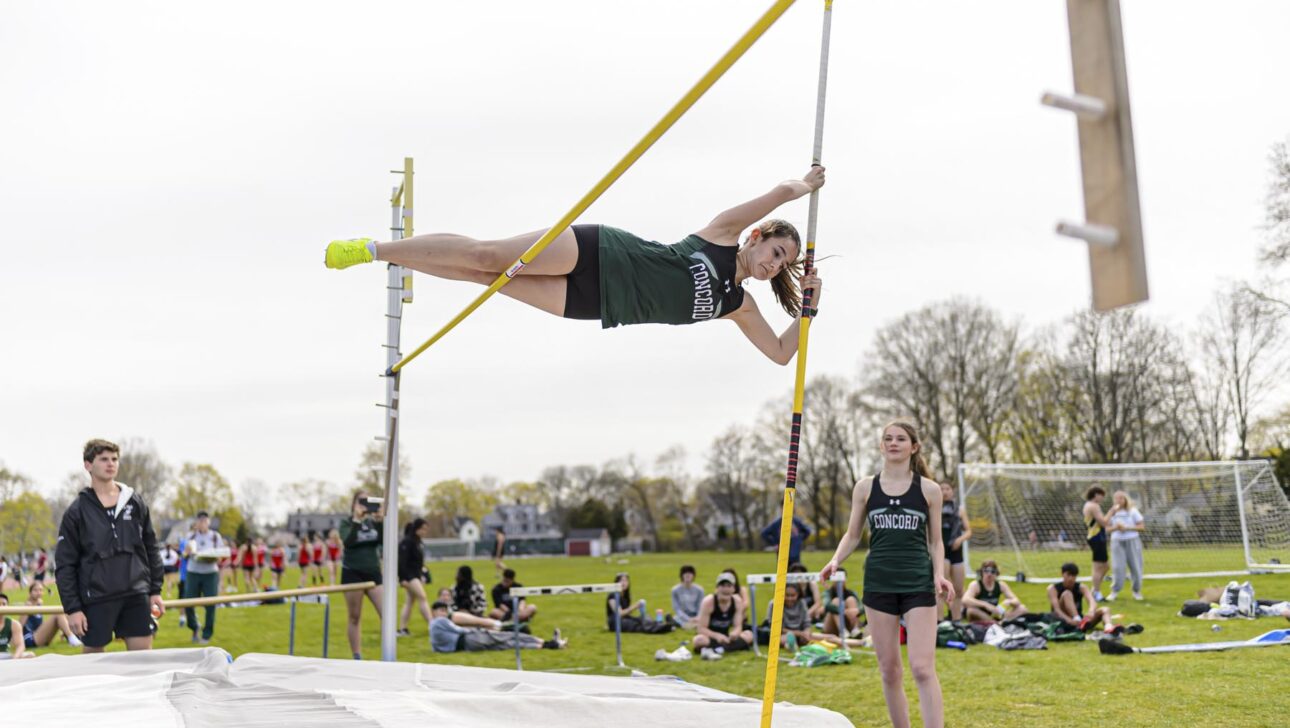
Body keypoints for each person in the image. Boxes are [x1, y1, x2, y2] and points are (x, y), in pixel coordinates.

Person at [324, 168, 827, 366]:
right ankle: (373, 250)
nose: (772, 265)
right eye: (775, 252)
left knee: (486, 280)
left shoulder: (737, 304)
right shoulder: (723, 236)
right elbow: (779, 194)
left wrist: (808, 308)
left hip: (599, 304)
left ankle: (387, 256)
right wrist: (807, 187)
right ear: (758, 238)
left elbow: (782, 353)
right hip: (604, 252)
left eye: (781, 262)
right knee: (487, 256)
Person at [820, 421, 955, 728]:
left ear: (914, 447)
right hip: (879, 581)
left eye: (901, 439)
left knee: (922, 668)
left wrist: (938, 575)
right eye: (888, 439)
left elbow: (935, 541)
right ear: (881, 446)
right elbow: (853, 534)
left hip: (918, 582)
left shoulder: (929, 490)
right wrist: (835, 560)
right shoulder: (865, 487)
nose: (893, 443)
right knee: (890, 670)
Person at [56, 439, 167, 653]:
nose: (111, 464)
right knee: (93, 670)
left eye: (114, 459)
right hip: (97, 598)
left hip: (136, 593)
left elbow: (151, 548)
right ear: (88, 465)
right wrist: (73, 609)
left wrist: (155, 590)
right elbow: (65, 564)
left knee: (143, 663)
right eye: (104, 459)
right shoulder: (76, 511)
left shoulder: (134, 502)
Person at [340, 491, 385, 659]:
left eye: (369, 500)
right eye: (362, 501)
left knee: (386, 613)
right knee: (354, 616)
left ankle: (386, 653)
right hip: (352, 572)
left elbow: (383, 541)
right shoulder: (346, 522)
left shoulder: (373, 522)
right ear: (354, 504)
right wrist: (357, 521)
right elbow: (348, 542)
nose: (365, 504)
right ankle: (357, 656)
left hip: (373, 572)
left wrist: (381, 522)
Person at [430, 601, 566, 653]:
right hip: (470, 638)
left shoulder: (432, 630)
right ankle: (548, 643)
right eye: (441, 611)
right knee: (510, 636)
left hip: (467, 648)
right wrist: (481, 630)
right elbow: (459, 630)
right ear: (434, 612)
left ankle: (550, 646)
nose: (443, 613)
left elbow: (437, 649)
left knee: (509, 645)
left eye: (444, 610)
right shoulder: (440, 621)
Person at [183, 511, 226, 644]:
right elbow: (185, 555)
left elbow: (221, 555)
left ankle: (206, 634)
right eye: (200, 521)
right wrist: (188, 552)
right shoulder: (191, 536)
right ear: (197, 522)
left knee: (210, 604)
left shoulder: (215, 536)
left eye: (205, 520)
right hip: (193, 572)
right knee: (188, 602)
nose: (202, 523)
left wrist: (212, 557)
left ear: (209, 522)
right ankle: (194, 626)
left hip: (210, 573)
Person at [692, 571, 753, 658]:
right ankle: (727, 648)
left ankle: (718, 649)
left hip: (727, 638)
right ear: (717, 588)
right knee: (698, 640)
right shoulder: (709, 602)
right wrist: (717, 636)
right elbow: (701, 628)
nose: (726, 589)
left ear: (733, 589)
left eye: (729, 586)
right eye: (723, 586)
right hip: (710, 637)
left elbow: (738, 626)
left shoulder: (737, 601)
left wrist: (735, 634)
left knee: (749, 635)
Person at [938, 480, 972, 622]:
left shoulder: (960, 509)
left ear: (952, 491)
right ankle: (939, 621)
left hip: (956, 550)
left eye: (947, 489)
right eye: (942, 489)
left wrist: (960, 540)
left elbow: (969, 531)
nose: (945, 491)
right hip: (942, 551)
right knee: (942, 590)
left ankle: (956, 620)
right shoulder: (934, 507)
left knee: (958, 589)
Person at [1047, 562, 1112, 632]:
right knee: (1067, 594)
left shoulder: (1082, 587)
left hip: (1080, 623)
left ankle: (1109, 628)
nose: (1071, 578)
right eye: (1068, 575)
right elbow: (1057, 610)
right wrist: (1070, 621)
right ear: (1062, 574)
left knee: (1105, 609)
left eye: (1073, 575)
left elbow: (1092, 601)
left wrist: (1091, 612)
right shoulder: (1053, 588)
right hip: (1062, 620)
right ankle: (1076, 618)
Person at [397, 518, 433, 637]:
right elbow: (401, 562)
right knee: (422, 597)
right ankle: (433, 625)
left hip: (416, 575)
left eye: (426, 529)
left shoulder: (418, 542)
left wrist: (423, 575)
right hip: (409, 576)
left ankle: (402, 629)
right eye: (423, 529)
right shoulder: (407, 542)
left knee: (409, 602)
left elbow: (419, 562)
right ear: (417, 528)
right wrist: (402, 579)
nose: (424, 532)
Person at [1107, 490, 1145, 601]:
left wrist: (1127, 528)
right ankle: (1115, 591)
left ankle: (1136, 591)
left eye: (1121, 498)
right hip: (1117, 542)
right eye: (1116, 498)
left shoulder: (1133, 511)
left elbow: (1142, 527)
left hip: (1132, 541)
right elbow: (1107, 528)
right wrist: (1116, 528)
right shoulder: (1112, 513)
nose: (1118, 501)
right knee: (1118, 567)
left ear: (1125, 500)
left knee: (1136, 567)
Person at [961, 561, 1027, 623]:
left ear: (996, 573)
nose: (989, 574)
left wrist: (1008, 602)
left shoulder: (1001, 585)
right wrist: (985, 605)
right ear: (981, 572)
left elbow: (1017, 601)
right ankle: (998, 624)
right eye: (986, 571)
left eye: (993, 571)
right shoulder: (976, 585)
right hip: (980, 616)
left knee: (1022, 608)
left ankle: (999, 623)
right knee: (971, 611)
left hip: (996, 615)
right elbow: (965, 600)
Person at [21, 582, 82, 648]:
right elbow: (20, 625)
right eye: (35, 590)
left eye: (40, 590)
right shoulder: (28, 606)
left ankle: (74, 635)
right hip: (30, 639)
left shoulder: (39, 603)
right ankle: (71, 638)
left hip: (38, 636)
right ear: (30, 592)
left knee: (65, 615)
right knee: (57, 613)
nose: (38, 592)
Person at [1082, 486, 1112, 602]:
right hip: (1096, 537)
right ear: (1095, 494)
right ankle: (1096, 593)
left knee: (1105, 566)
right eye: (1101, 495)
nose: (1103, 498)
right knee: (1098, 567)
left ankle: (1094, 590)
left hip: (1096, 537)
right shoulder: (1094, 506)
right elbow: (1104, 522)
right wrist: (1111, 512)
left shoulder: (1088, 505)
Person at [435, 587, 507, 629]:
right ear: (438, 597)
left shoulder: (453, 605)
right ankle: (498, 624)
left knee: (479, 622)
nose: (445, 597)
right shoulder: (437, 608)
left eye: (448, 595)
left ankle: (498, 624)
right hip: (458, 624)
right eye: (443, 595)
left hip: (463, 622)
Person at [819, 571, 862, 638]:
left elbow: (862, 606)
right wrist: (844, 611)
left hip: (848, 623)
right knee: (836, 601)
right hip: (831, 626)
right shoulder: (828, 593)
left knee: (851, 600)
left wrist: (858, 611)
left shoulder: (851, 593)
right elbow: (827, 605)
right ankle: (842, 631)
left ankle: (855, 630)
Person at [0, 593, 32, 659]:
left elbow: (20, 645)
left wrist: (15, 658)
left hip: (5, 655)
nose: (1, 606)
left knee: (30, 655)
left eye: (4, 604)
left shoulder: (14, 624)